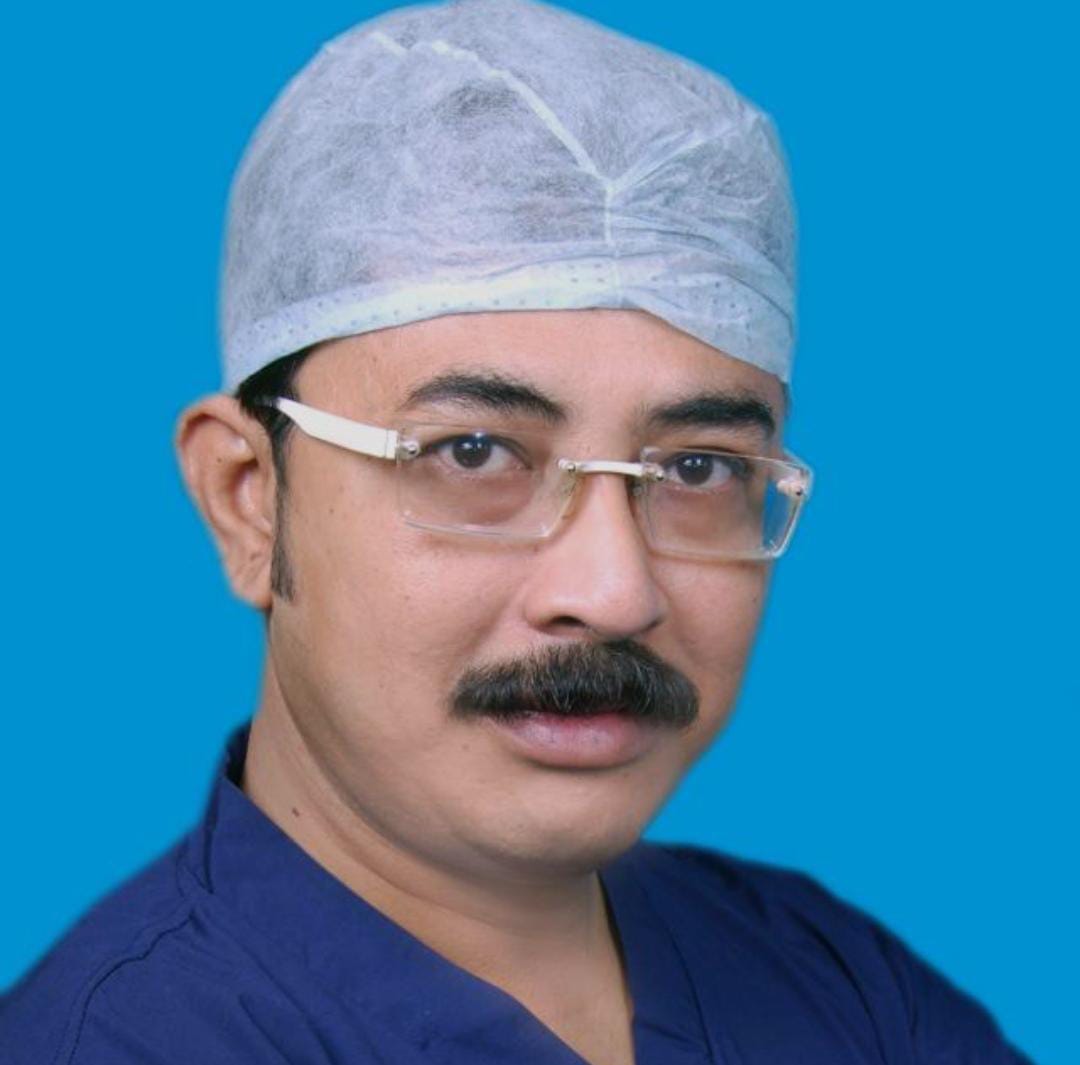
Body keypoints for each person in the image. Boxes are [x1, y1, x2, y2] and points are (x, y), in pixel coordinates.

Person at [0, 1, 1034, 1062]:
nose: (615, 591)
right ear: (248, 498)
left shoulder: (833, 983)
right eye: (474, 452)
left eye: (698, 468)